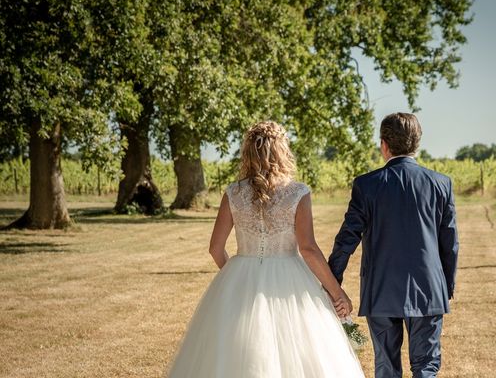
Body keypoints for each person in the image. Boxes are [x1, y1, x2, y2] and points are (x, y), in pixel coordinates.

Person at [164, 121, 364, 378]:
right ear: (282, 151)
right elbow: (309, 249)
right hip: (289, 277)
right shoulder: (297, 193)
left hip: (239, 274)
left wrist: (235, 276)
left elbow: (216, 248)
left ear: (247, 152)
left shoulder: (233, 193)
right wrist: (338, 293)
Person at [328, 112, 459, 378]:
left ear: (384, 145)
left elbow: (347, 238)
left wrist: (333, 281)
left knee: (386, 367)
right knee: (426, 366)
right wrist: (445, 287)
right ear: (417, 143)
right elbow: (450, 244)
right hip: (428, 289)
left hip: (382, 289)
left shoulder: (367, 185)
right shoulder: (441, 184)